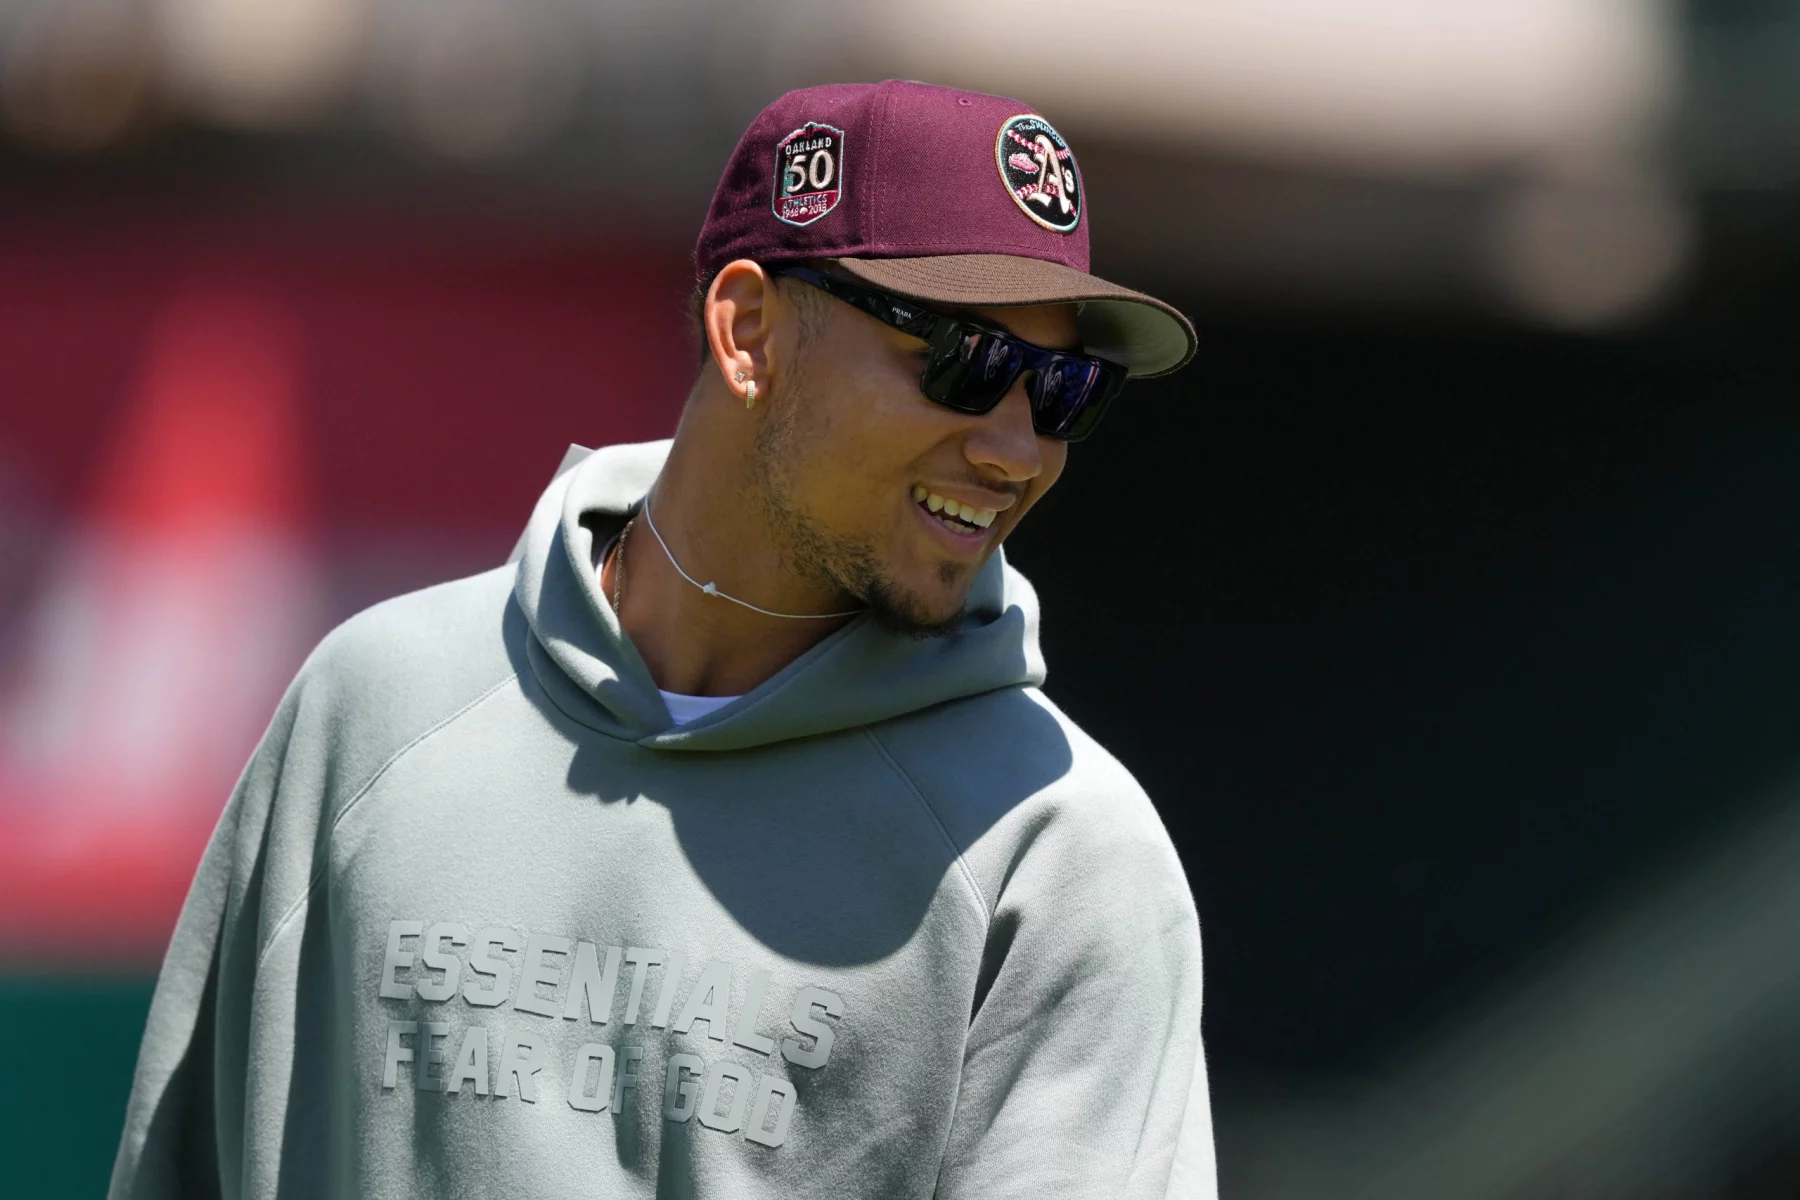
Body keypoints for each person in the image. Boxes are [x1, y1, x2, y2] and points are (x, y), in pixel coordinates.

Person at [110, 80, 1214, 1199]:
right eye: (969, 364)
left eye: (1068, 390)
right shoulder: (373, 711)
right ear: (747, 332)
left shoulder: (1063, 851)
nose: (1018, 449)